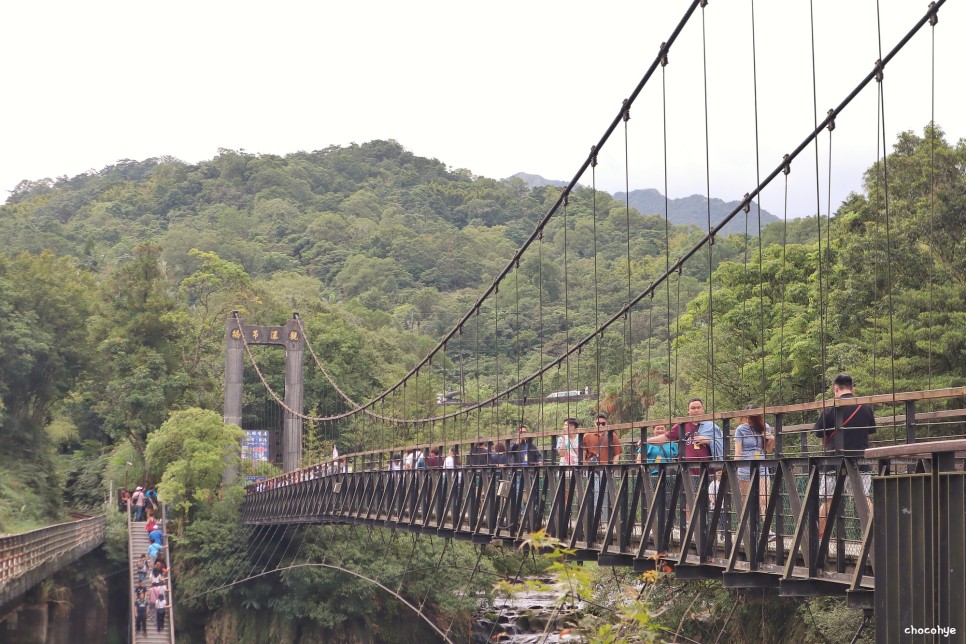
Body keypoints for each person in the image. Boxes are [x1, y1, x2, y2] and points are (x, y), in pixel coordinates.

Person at [813, 373, 876, 535]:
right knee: (863, 498)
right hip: (860, 461)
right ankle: (874, 535)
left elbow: (819, 434)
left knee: (827, 502)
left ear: (836, 388)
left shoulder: (831, 408)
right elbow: (869, 433)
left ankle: (820, 540)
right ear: (852, 389)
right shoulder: (865, 406)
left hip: (834, 463)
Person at [646, 398, 723, 474]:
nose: (696, 410)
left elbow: (722, 444)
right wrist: (646, 441)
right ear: (688, 410)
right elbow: (665, 438)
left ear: (703, 409)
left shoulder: (711, 426)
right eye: (693, 408)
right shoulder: (681, 426)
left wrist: (708, 441)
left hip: (707, 469)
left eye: (698, 408)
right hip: (687, 469)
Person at [734, 408, 775, 538]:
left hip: (762, 467)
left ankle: (767, 530)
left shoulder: (765, 427)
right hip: (745, 468)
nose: (748, 420)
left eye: (750, 417)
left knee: (764, 498)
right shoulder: (740, 429)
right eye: (746, 417)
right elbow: (738, 452)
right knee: (747, 500)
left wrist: (771, 439)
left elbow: (768, 450)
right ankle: (746, 530)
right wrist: (735, 469)